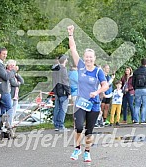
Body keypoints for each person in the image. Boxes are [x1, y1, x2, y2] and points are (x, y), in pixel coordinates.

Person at [68, 25, 108, 162]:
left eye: (91, 57)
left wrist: (96, 91)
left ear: (94, 58)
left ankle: (87, 151)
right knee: (79, 126)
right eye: (86, 57)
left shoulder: (98, 71)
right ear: (84, 58)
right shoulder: (80, 66)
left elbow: (105, 85)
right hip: (80, 102)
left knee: (89, 131)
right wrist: (70, 34)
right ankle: (77, 148)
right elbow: (73, 49)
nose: (88, 59)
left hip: (93, 104)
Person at [0, 48, 16, 132]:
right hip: (3, 90)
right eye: (3, 54)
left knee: (2, 110)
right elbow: (6, 76)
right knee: (9, 109)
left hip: (3, 89)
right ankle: (8, 128)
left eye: (6, 54)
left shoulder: (0, 64)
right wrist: (13, 71)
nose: (5, 56)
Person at [51, 55, 70, 131]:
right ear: (65, 60)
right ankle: (61, 125)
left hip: (56, 91)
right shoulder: (63, 69)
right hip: (63, 92)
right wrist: (69, 92)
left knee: (57, 108)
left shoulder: (55, 69)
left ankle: (56, 125)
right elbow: (65, 82)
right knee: (63, 109)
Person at [132, 59, 146, 124]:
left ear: (141, 63)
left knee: (137, 105)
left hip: (137, 89)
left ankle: (136, 120)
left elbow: (133, 82)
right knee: (145, 105)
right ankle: (143, 120)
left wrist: (135, 88)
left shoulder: (136, 71)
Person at [6, 59, 24, 124]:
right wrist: (18, 83)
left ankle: (10, 124)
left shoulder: (14, 74)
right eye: (10, 65)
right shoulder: (8, 73)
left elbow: (22, 81)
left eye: (13, 65)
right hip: (10, 95)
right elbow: (13, 83)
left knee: (14, 112)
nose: (12, 67)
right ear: (7, 66)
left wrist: (16, 74)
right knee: (10, 112)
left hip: (15, 96)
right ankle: (9, 125)